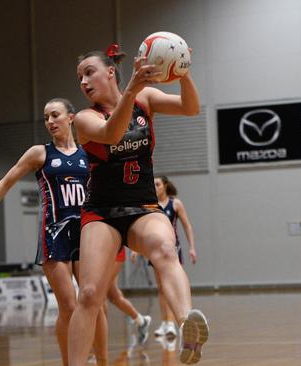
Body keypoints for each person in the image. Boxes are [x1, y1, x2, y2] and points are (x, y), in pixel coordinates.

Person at [68, 45, 209, 365]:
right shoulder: (85, 119)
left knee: (164, 248)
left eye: (89, 72)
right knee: (89, 294)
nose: (83, 82)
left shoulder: (146, 99)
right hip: (101, 212)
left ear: (110, 72)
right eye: (79, 78)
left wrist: (183, 74)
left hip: (143, 205)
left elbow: (191, 107)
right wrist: (132, 88)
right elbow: (112, 132)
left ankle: (187, 324)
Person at [0, 98, 107, 366]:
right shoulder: (39, 153)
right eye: (46, 117)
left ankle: (102, 361)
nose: (50, 121)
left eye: (55, 115)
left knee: (95, 304)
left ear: (71, 117)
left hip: (86, 233)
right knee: (68, 307)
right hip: (54, 234)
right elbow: (6, 181)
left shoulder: (87, 153)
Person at [150, 176, 197, 338]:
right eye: (153, 185)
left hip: (172, 250)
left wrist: (192, 248)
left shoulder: (175, 203)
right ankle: (166, 323)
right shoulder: (151, 205)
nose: (155, 187)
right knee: (161, 288)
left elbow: (187, 226)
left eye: (157, 184)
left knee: (173, 284)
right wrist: (135, 251)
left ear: (165, 186)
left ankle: (181, 320)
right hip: (154, 250)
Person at [106, 248, 151, 343]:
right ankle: (141, 321)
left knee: (99, 295)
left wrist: (135, 249)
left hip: (114, 250)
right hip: (97, 251)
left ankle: (96, 348)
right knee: (113, 295)